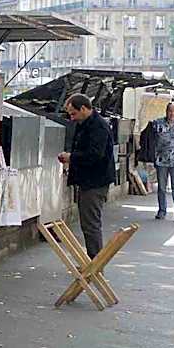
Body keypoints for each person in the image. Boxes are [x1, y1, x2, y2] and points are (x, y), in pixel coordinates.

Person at [58, 94, 116, 259]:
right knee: (88, 223)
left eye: (73, 113)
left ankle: (96, 263)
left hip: (95, 181)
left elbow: (94, 155)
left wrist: (72, 157)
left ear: (83, 108)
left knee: (91, 224)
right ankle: (94, 261)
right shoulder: (85, 124)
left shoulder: (98, 126)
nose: (72, 117)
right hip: (88, 180)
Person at [150, 101, 174, 220]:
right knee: (162, 187)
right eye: (170, 111)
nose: (172, 113)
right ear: (166, 111)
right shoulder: (157, 124)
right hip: (161, 159)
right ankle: (162, 211)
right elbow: (153, 140)